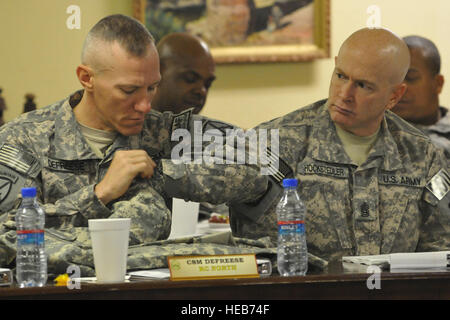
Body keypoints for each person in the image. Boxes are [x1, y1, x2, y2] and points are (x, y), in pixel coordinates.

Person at [0, 15, 267, 271]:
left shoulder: (163, 131)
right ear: (87, 78)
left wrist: (162, 173)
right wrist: (100, 194)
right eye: (129, 91)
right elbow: (7, 238)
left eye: (152, 88)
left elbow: (257, 166)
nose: (145, 105)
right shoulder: (24, 138)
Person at [230, 28, 450, 263]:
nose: (345, 94)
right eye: (341, 76)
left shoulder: (423, 155)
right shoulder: (273, 142)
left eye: (364, 85)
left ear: (394, 95)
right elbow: (198, 179)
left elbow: (439, 253)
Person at [391, 35, 450, 158]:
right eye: (394, 78)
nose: (400, 87)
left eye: (411, 78)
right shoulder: (368, 132)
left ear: (438, 83)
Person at [152, 32, 216, 115]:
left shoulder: (207, 127)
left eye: (207, 84)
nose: (202, 91)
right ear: (158, 71)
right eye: (191, 78)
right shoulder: (131, 123)